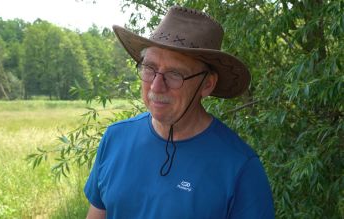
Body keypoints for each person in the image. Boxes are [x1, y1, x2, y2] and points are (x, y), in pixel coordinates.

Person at [84, 5, 275, 219]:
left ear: (207, 85)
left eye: (175, 74)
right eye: (150, 68)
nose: (156, 86)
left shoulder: (239, 168)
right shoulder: (115, 138)